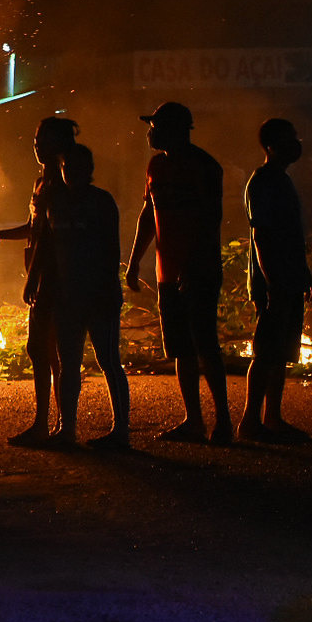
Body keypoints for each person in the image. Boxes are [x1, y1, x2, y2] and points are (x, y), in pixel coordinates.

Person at [125, 102, 232, 444]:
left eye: (154, 126)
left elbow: (210, 218)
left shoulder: (203, 166)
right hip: (167, 272)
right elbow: (148, 214)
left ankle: (224, 422)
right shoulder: (156, 165)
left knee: (205, 345)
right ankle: (194, 421)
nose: (149, 133)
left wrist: (192, 264)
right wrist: (133, 260)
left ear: (173, 129)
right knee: (181, 349)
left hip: (198, 271)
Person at [0, 116, 79, 446]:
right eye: (35, 139)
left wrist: (34, 279)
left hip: (52, 280)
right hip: (45, 278)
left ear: (59, 145)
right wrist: (2, 234)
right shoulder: (42, 183)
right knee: (47, 353)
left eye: (43, 140)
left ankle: (55, 426)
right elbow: (33, 228)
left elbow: (49, 239)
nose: (36, 145)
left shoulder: (61, 186)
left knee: (46, 352)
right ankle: (55, 425)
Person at [41, 143, 130, 448]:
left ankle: (121, 431)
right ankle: (67, 429)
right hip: (67, 297)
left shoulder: (101, 202)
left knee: (108, 361)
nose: (72, 174)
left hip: (98, 295)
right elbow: (48, 248)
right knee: (68, 364)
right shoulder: (55, 202)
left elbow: (111, 251)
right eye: (67, 168)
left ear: (90, 171)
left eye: (78, 168)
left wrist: (107, 292)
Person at [238, 119, 312, 442]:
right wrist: (271, 282)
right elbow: (262, 235)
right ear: (271, 145)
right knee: (267, 351)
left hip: (287, 278)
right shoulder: (264, 182)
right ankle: (251, 420)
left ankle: (272, 418)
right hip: (275, 281)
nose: (295, 144)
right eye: (288, 139)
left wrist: (303, 273)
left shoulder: (279, 180)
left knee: (281, 351)